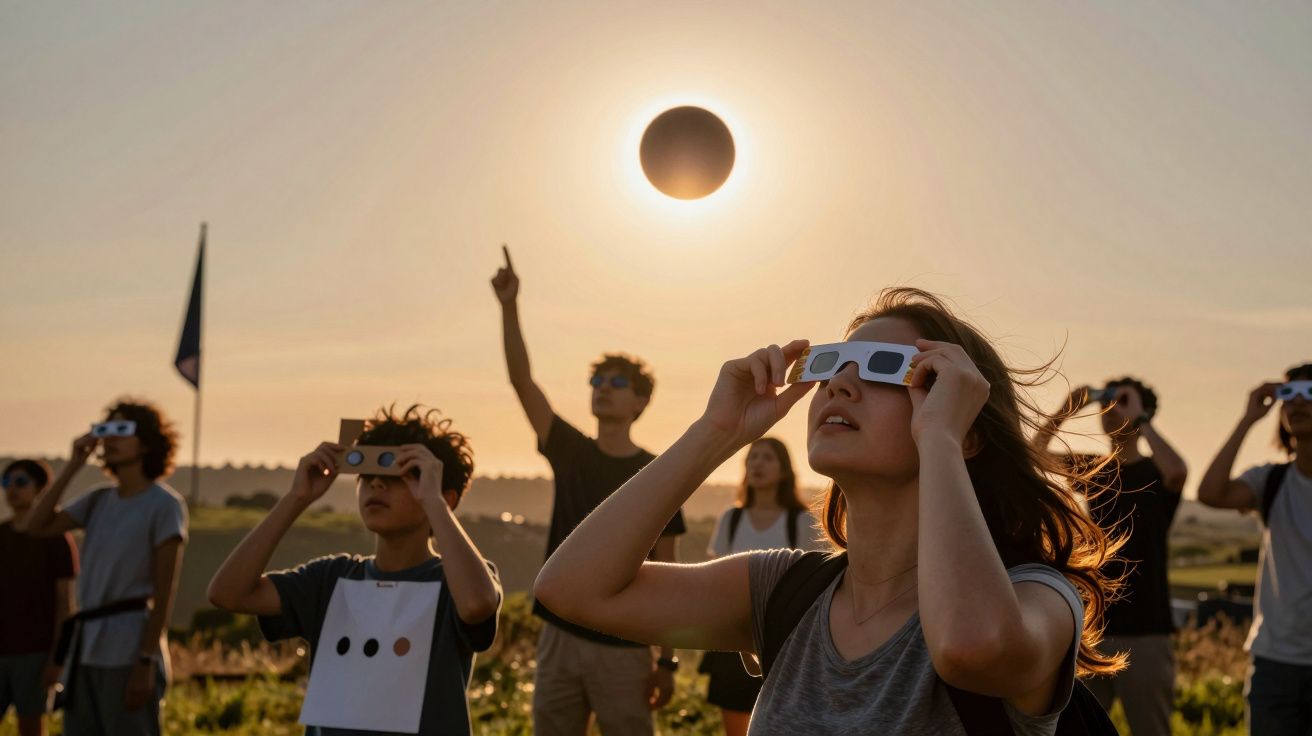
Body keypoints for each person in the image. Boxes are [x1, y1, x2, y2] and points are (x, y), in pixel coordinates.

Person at [535, 287, 1124, 735]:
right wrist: (715, 433)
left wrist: (941, 438)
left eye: (884, 369)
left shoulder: (1036, 597)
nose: (840, 385)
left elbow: (971, 649)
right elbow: (570, 589)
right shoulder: (781, 592)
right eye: (833, 365)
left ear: (964, 421)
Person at [207, 405, 501, 736]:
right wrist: (297, 497)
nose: (376, 484)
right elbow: (227, 593)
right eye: (367, 475)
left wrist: (435, 504)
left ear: (443, 495)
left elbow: (477, 605)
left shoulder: (454, 581)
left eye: (400, 475)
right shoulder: (332, 579)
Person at [491, 246, 687, 735]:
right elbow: (522, 381)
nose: (603, 387)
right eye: (598, 380)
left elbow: (668, 566)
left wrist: (667, 662)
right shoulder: (572, 452)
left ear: (640, 402)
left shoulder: (657, 473)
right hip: (559, 633)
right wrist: (509, 305)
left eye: (618, 382)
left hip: (624, 642)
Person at [17, 399, 188, 736]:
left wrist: (144, 662)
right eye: (106, 430)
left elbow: (164, 595)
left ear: (149, 443)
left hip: (128, 648)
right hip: (84, 651)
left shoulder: (164, 505)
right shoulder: (98, 500)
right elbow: (34, 527)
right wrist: (72, 465)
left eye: (122, 430)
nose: (111, 439)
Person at [1033, 378, 1187, 736]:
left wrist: (1141, 420)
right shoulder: (1094, 469)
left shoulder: (1156, 471)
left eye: (1121, 401)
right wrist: (1063, 412)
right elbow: (1031, 455)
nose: (1110, 409)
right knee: (1076, 730)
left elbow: (1179, 472)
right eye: (1107, 400)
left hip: (1147, 632)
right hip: (1093, 629)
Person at [1197, 363, 1312, 736]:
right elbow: (1210, 493)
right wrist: (1247, 419)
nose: (1297, 403)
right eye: (1288, 395)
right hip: (1276, 662)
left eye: (1310, 394)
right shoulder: (1272, 481)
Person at [702, 438, 825, 736]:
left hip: (786, 644)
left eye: (767, 458)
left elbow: (816, 584)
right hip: (732, 639)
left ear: (784, 471)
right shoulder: (731, 519)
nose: (757, 463)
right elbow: (716, 582)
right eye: (752, 458)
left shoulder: (801, 521)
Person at [1, 459, 78, 736]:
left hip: (35, 653)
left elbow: (65, 603)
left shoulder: (56, 539)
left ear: (40, 489)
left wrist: (57, 659)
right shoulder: (1, 534)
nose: (12, 490)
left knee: (31, 726)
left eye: (21, 482)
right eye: (6, 483)